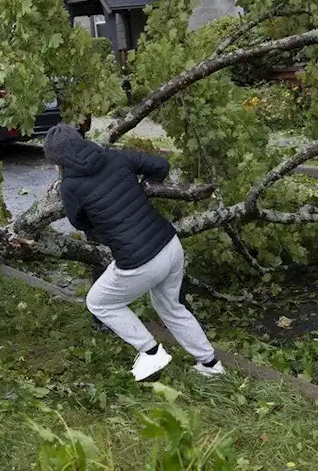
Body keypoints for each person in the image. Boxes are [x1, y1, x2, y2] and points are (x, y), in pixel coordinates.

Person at [44, 124, 224, 381]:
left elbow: (79, 223)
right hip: (170, 245)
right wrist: (141, 188)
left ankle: (150, 351)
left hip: (140, 261)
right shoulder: (116, 156)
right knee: (171, 306)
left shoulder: (70, 185)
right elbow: (161, 166)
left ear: (58, 160)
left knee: (98, 302)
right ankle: (211, 364)